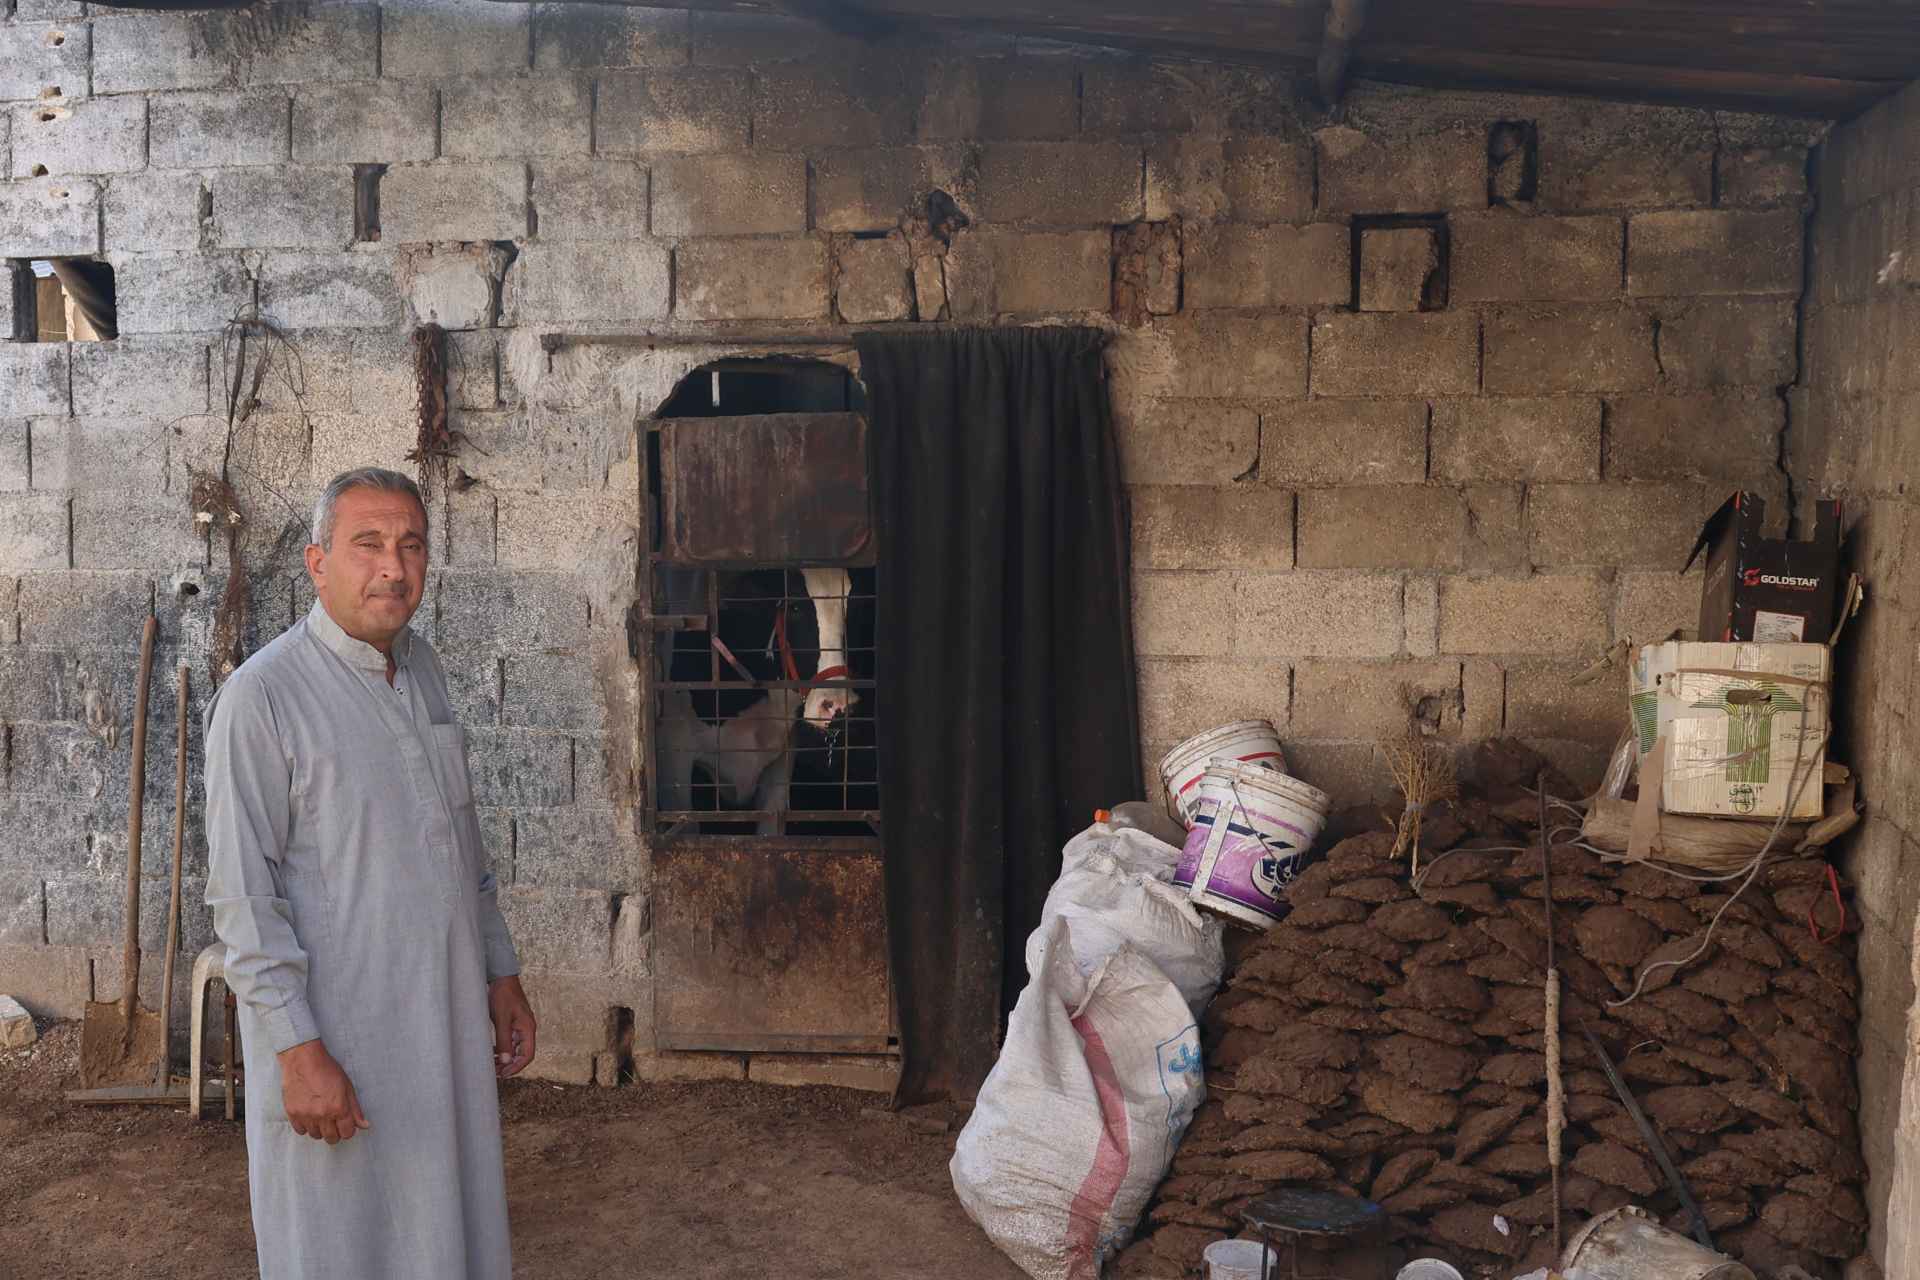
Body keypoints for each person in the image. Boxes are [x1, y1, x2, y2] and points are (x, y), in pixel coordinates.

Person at [205, 466, 536, 1279]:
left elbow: (463, 846)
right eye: (368, 544)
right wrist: (296, 1052)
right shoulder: (263, 697)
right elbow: (245, 901)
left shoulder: (423, 670)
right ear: (317, 564)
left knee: (446, 1229)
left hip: (446, 1029)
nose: (393, 566)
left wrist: (500, 973)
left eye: (411, 545)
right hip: (339, 1041)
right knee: (341, 1242)